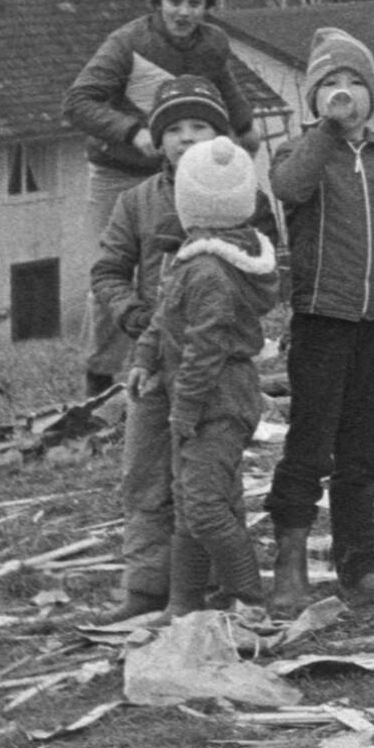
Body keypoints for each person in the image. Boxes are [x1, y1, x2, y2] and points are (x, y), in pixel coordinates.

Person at [262, 32, 374, 607]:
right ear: (313, 97)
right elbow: (289, 188)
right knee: (310, 446)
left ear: (373, 96)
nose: (344, 92)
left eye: (355, 82)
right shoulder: (300, 153)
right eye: (330, 83)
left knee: (361, 449)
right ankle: (289, 561)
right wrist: (325, 133)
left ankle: (357, 562)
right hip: (321, 320)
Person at [92, 84, 248, 610]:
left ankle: (216, 586)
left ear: (220, 136)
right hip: (154, 363)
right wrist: (133, 314)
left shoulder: (242, 198)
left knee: (210, 477)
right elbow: (109, 270)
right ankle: (146, 584)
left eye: (199, 127)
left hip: (215, 367)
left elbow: (264, 270)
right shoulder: (137, 202)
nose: (186, 138)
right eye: (174, 129)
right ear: (158, 141)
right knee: (144, 471)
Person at [155, 134, 279, 615]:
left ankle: (248, 598)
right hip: (203, 400)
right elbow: (164, 318)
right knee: (192, 504)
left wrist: (185, 410)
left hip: (216, 402)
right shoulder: (197, 258)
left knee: (204, 507)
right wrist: (145, 360)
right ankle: (184, 604)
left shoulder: (207, 271)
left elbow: (205, 349)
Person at [66, 0, 262, 194]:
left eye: (194, 3)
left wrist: (245, 128)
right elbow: (77, 102)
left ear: (206, 7)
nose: (184, 12)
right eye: (174, 1)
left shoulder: (213, 42)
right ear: (159, 1)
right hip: (121, 173)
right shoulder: (126, 42)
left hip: (187, 171)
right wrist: (132, 132)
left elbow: (225, 88)